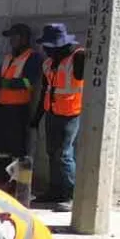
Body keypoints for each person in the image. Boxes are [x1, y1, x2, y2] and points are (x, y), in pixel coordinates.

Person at [31, 23, 85, 212]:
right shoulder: (48, 63)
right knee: (52, 153)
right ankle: (55, 191)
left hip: (70, 114)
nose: (45, 50)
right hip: (52, 113)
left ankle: (71, 195)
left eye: (48, 47)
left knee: (64, 154)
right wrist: (37, 117)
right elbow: (45, 90)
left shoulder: (77, 58)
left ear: (58, 45)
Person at [0, 24, 43, 186]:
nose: (11, 40)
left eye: (15, 37)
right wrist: (1, 82)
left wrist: (3, 83)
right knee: (1, 146)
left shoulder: (33, 57)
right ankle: (3, 179)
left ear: (24, 38)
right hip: (3, 107)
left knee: (18, 148)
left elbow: (26, 82)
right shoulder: (8, 57)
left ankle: (20, 185)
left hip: (18, 109)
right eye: (10, 37)